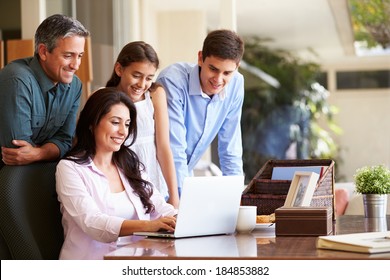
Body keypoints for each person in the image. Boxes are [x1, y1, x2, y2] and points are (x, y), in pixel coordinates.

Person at [55, 87, 177, 260]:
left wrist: (179, 219)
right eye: (115, 122)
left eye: (127, 124)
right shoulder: (69, 168)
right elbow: (92, 223)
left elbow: (159, 207)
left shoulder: (130, 163)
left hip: (134, 262)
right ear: (92, 123)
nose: (123, 131)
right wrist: (148, 226)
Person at [156, 29, 245, 193]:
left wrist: (236, 198)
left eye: (227, 72)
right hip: (157, 180)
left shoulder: (236, 84)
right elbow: (175, 149)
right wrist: (183, 201)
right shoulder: (173, 81)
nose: (218, 80)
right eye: (213, 69)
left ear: (237, 67)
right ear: (200, 58)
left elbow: (230, 149)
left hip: (184, 177)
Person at [0, 14, 90, 168]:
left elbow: (65, 141)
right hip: (9, 178)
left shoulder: (75, 86)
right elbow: (18, 153)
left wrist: (39, 153)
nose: (76, 65)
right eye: (68, 56)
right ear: (43, 51)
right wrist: (49, 149)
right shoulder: (16, 79)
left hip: (41, 174)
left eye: (80, 56)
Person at [106, 41, 179, 208]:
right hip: (121, 179)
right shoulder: (105, 97)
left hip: (152, 178)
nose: (142, 84)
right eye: (136, 75)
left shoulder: (155, 94)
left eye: (148, 78)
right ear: (119, 69)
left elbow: (163, 147)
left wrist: (174, 195)